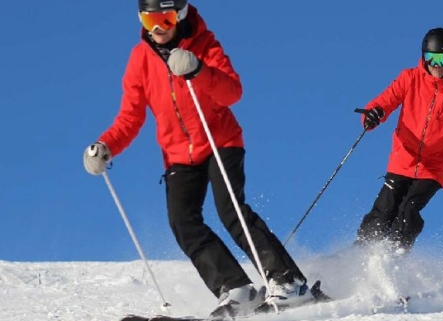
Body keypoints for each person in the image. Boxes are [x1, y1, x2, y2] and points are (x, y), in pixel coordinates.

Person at [82, 0, 315, 317]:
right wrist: (106, 146)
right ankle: (236, 288)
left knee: (230, 210)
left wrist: (198, 70)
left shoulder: (205, 44)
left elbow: (232, 92)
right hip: (178, 155)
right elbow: (130, 117)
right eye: (150, 21)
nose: (158, 28)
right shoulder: (140, 60)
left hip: (220, 140)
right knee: (183, 222)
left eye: (164, 18)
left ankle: (288, 283)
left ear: (178, 15)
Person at [354, 27, 443, 253]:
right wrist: (372, 115)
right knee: (385, 208)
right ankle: (361, 252)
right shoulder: (409, 78)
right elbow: (385, 102)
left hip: (434, 167)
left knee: (408, 209)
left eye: (442, 58)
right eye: (430, 58)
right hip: (402, 158)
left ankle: (396, 256)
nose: (436, 64)